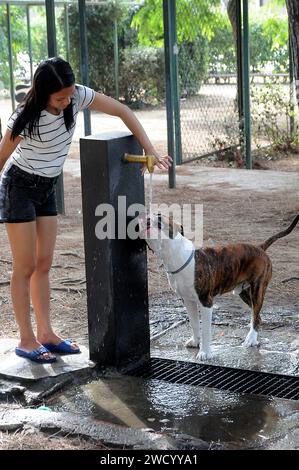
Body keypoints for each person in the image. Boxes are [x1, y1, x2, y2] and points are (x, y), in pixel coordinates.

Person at [0, 57, 172, 364]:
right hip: (19, 188)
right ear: (43, 93)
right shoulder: (25, 118)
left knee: (44, 263)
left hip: (46, 188)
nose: (67, 101)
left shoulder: (77, 95)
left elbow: (123, 111)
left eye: (69, 95)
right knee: (24, 266)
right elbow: (1, 159)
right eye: (59, 97)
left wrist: (151, 149)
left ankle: (46, 333)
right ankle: (26, 340)